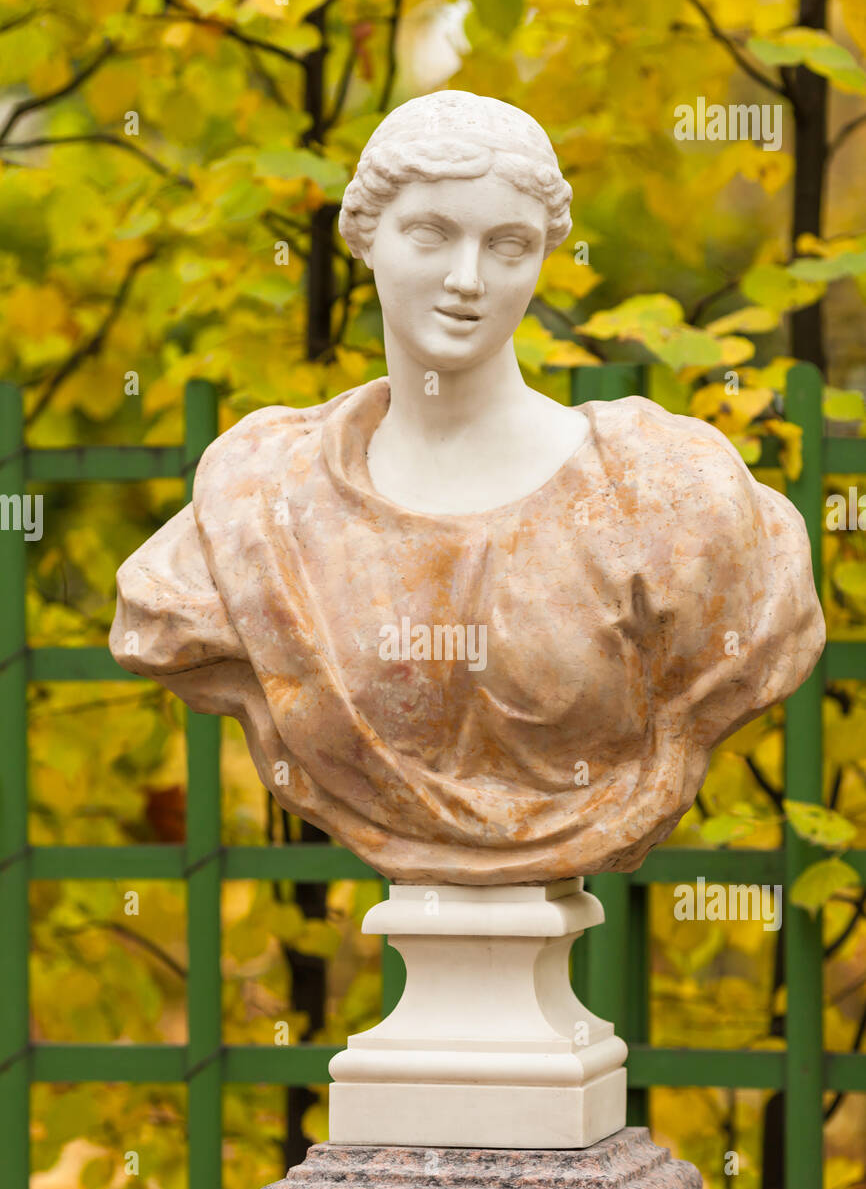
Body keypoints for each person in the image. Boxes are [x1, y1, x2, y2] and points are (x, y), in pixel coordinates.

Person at [110, 91, 825, 885]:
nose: (467, 279)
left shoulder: (667, 494)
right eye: (431, 233)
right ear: (364, 236)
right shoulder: (258, 499)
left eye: (508, 245)